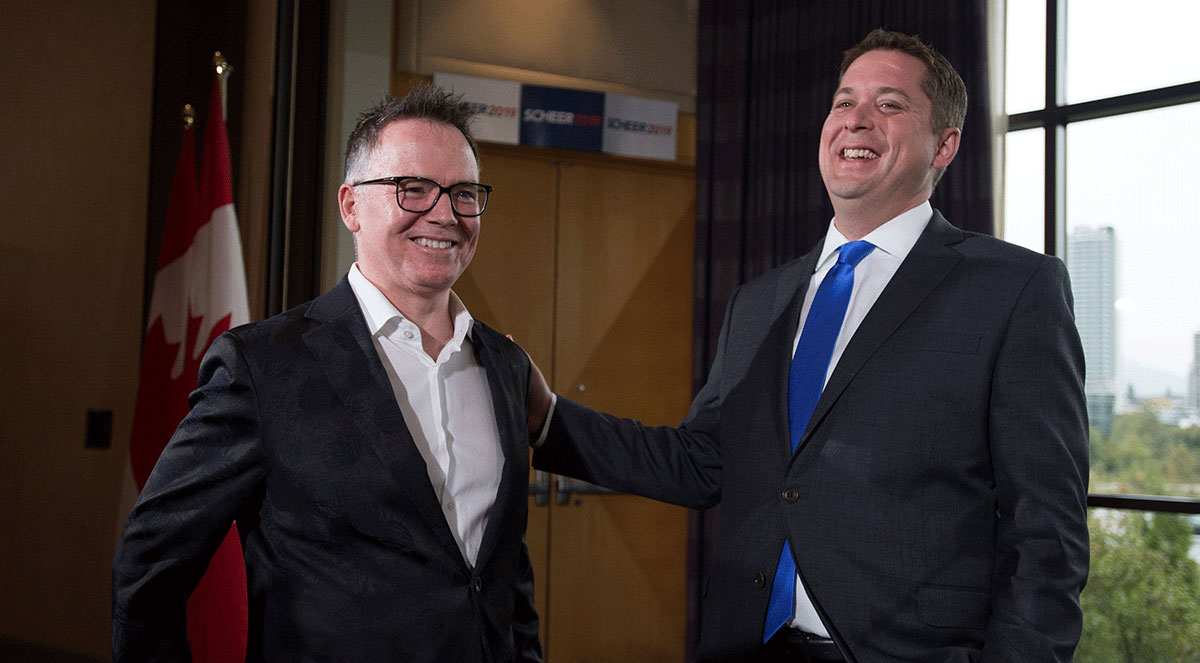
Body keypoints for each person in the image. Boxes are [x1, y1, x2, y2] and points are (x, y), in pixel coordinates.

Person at [527, 29, 1088, 662]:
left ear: (945, 145)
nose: (857, 119)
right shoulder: (759, 302)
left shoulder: (1015, 289)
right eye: (844, 102)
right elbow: (701, 461)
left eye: (891, 104)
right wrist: (547, 420)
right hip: (748, 645)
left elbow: (1047, 534)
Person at [113, 86, 542, 663]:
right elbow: (150, 564)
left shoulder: (507, 367)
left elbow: (505, 573)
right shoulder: (262, 367)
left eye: (463, 193)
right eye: (411, 189)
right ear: (350, 206)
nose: (444, 213)